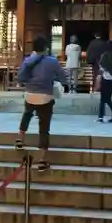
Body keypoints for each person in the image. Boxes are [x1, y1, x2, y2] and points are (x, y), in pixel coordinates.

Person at [16, 35, 66, 172]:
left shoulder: (28, 60)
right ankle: (42, 160)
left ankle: (20, 138)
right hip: (45, 96)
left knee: (27, 114)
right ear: (46, 48)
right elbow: (63, 77)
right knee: (44, 128)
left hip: (30, 94)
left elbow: (20, 77)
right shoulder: (52, 61)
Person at [97, 41, 112, 123]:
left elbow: (101, 68)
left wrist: (99, 78)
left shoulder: (104, 56)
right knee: (107, 99)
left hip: (105, 79)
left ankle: (100, 117)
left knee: (103, 99)